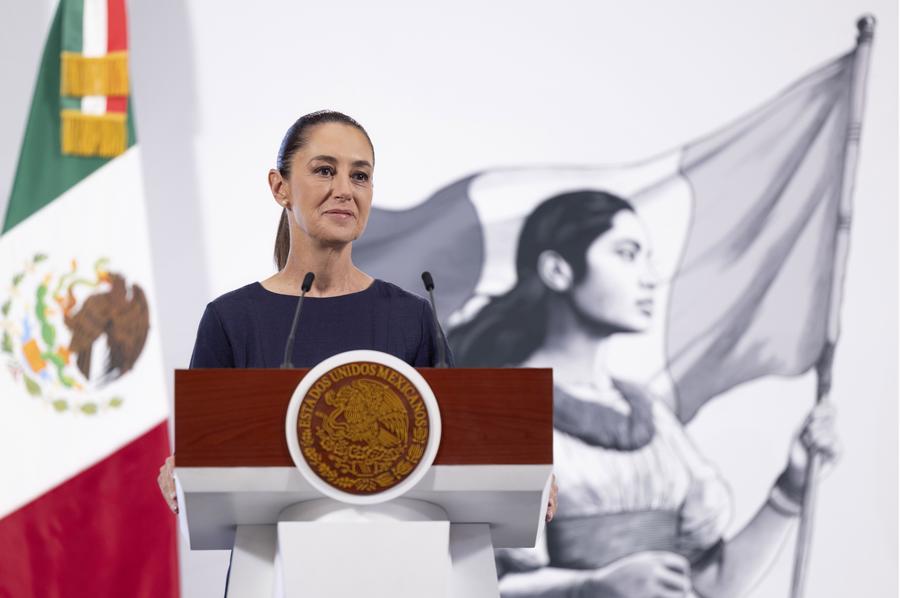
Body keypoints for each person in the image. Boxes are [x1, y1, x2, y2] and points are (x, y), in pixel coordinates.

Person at [157, 110, 558, 521]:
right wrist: (184, 469)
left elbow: (457, 449)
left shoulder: (411, 316)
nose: (345, 190)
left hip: (397, 550)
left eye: (360, 176)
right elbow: (205, 459)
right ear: (280, 187)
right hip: (274, 554)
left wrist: (523, 475)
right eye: (324, 171)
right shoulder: (231, 319)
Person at [448, 190, 839, 598]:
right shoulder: (500, 412)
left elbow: (711, 583)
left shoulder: (649, 413)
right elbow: (473, 586)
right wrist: (591, 587)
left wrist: (790, 489)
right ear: (558, 270)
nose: (650, 277)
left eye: (648, 257)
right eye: (627, 254)